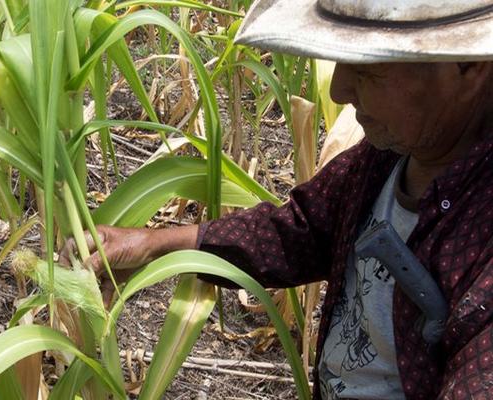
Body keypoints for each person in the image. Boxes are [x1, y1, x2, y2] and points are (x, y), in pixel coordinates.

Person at [63, 1, 493, 398]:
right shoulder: (389, 156)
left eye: (368, 71)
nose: (340, 89)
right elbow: (300, 231)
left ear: (469, 65)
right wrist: (152, 246)